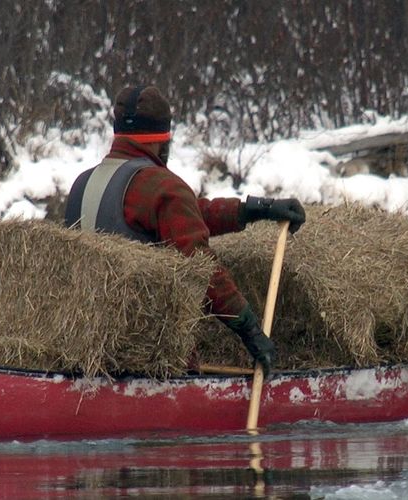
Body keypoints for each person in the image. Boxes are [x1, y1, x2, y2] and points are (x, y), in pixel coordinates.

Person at [64, 85, 305, 376]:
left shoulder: (82, 184)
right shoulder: (163, 186)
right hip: (149, 358)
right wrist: (251, 331)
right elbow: (201, 267)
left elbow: (181, 215)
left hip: (85, 350)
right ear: (163, 139)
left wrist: (253, 210)